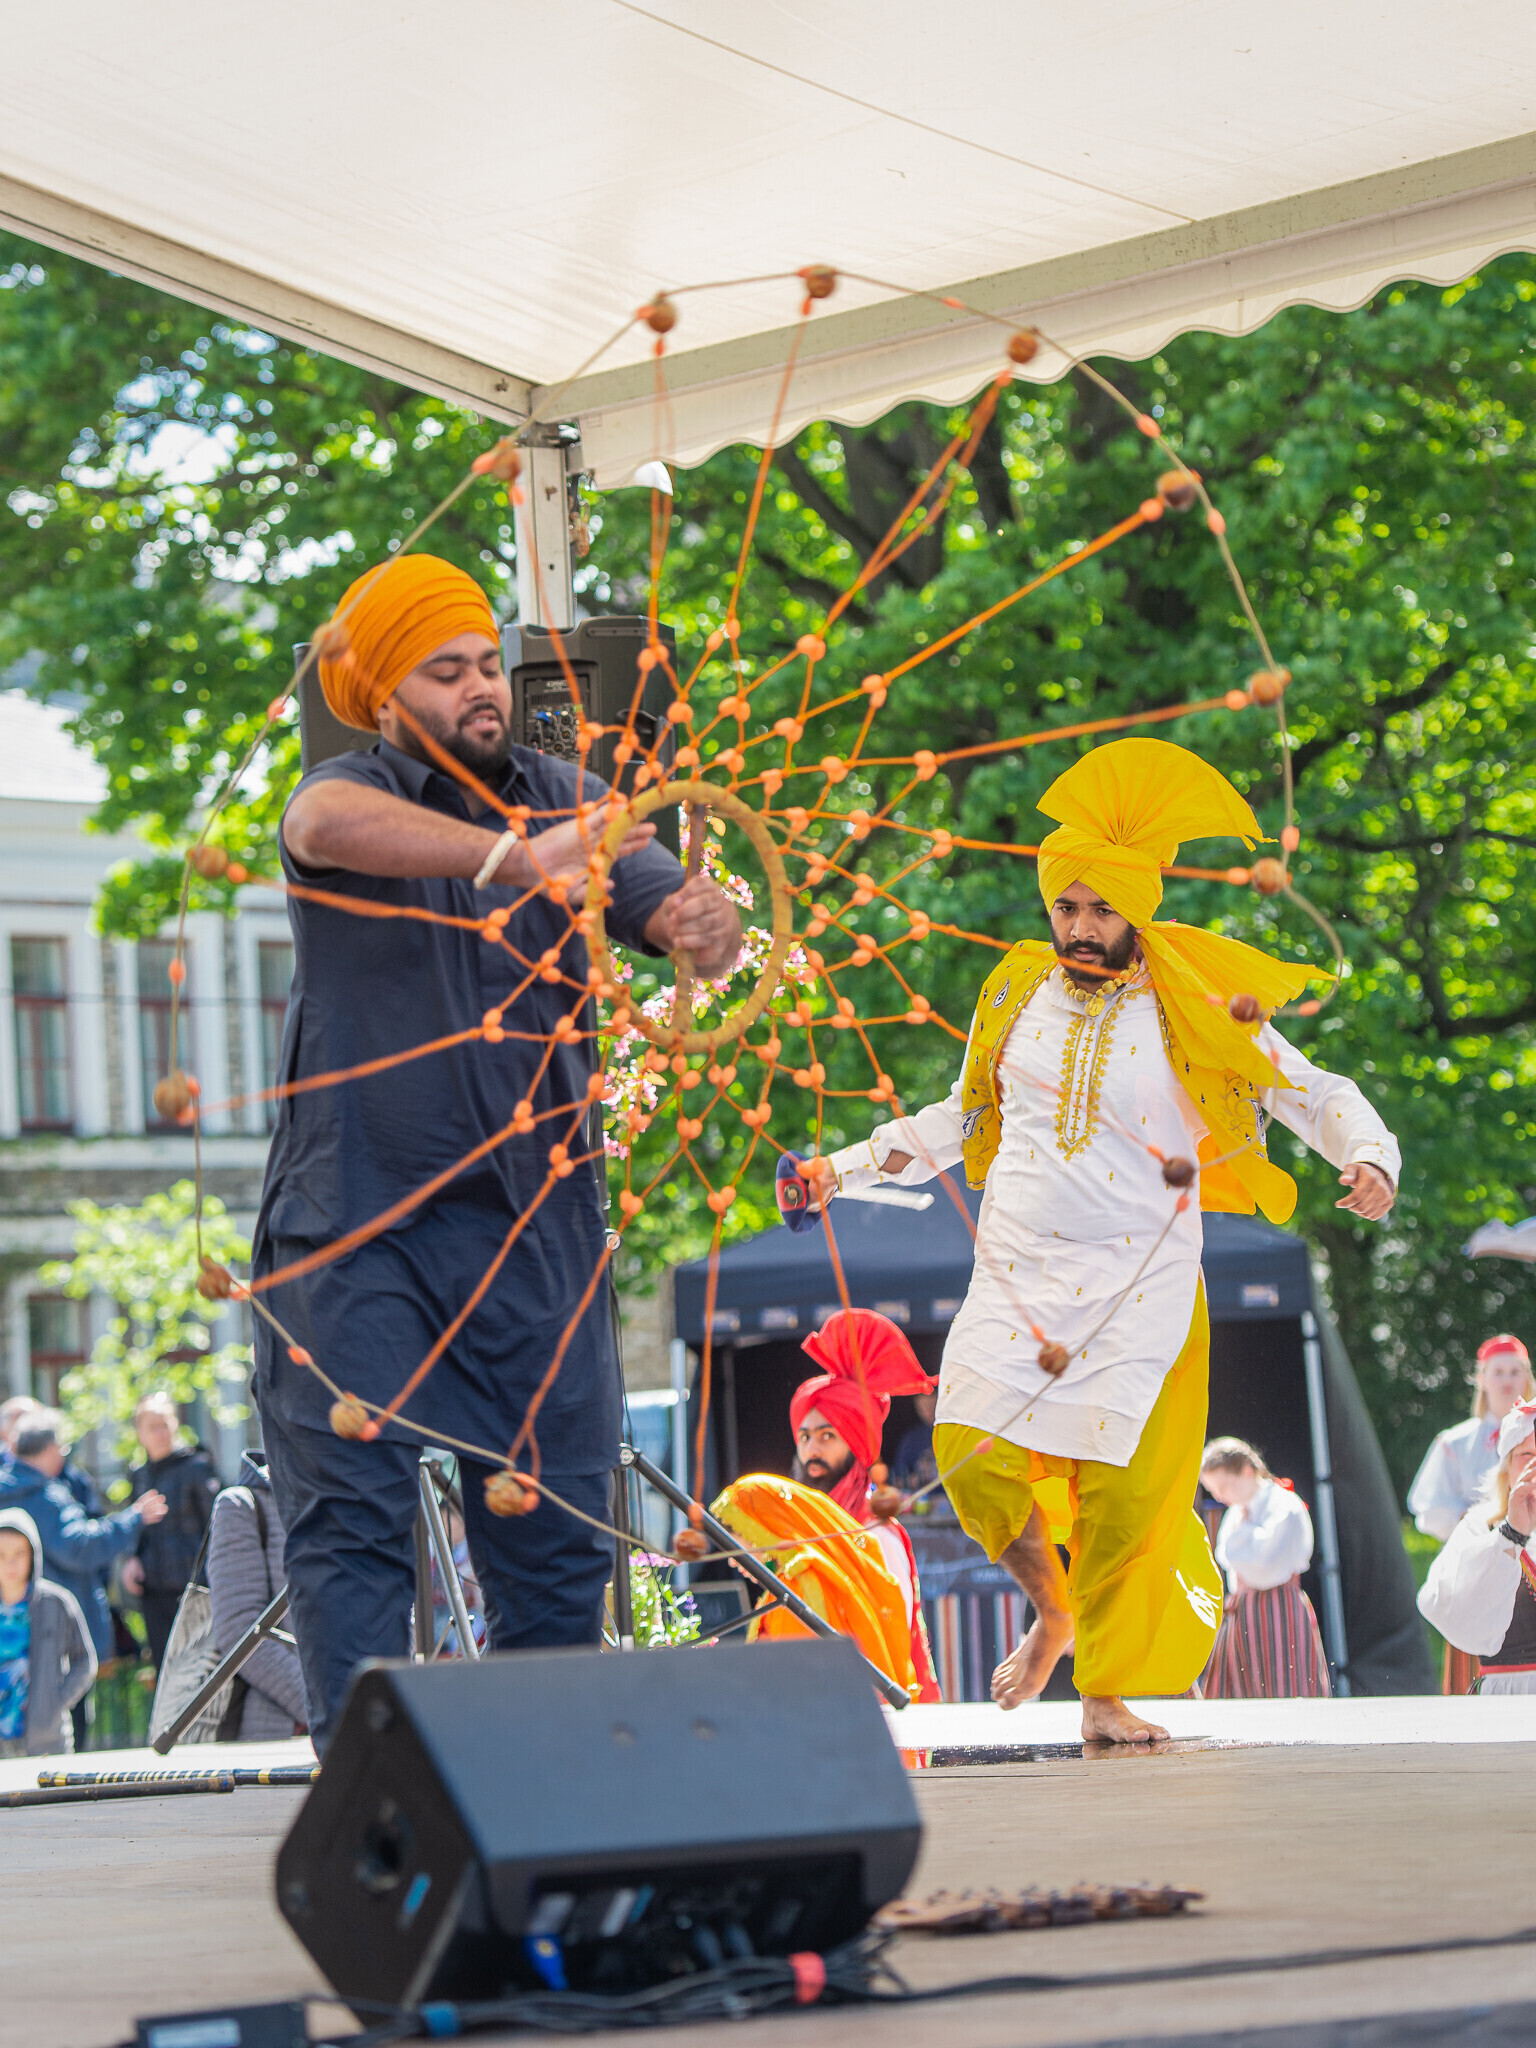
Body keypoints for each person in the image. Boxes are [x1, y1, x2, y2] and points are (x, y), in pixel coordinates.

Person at [803, 738, 1399, 1744]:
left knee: (1126, 1498)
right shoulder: (1014, 992)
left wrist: (1369, 1154)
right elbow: (959, 1116)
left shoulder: (1194, 1000)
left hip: (1139, 1286)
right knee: (968, 1453)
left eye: (1101, 910)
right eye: (1065, 907)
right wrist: (842, 1168)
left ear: (1139, 910)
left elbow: (1309, 1090)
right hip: (1018, 1277)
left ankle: (1104, 1695)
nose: (1080, 928)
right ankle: (1055, 1609)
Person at [252, 553, 742, 1750]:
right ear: (382, 694)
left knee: (557, 1538)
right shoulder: (348, 791)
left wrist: (700, 923)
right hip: (360, 1223)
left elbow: (666, 907)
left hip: (533, 1227)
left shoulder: (569, 791)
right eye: (446, 670)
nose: (481, 687)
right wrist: (513, 857)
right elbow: (314, 823)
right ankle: (378, 1795)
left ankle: (544, 1785)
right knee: (352, 1524)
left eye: (488, 664)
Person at [789, 1308, 941, 1700]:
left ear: (857, 1442)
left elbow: (887, 1644)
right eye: (805, 1437)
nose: (812, 1450)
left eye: (827, 1436)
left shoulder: (877, 1536)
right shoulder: (794, 1527)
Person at [0, 1411, 166, 1670]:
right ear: (51, 1448)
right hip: (58, 1634)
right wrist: (132, 1519)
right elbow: (80, 1547)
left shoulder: (10, 1491)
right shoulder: (46, 1498)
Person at [1417, 1398, 1536, 1694]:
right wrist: (1511, 1535)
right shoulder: (1481, 1526)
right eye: (1527, 1454)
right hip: (1509, 1699)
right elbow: (1451, 1612)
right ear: (1506, 1468)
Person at [1199, 1437, 1329, 1699]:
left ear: (1247, 1471)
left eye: (1223, 1486)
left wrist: (1243, 1541)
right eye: (1213, 1491)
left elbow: (1264, 1562)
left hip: (1280, 1607)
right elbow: (1227, 1555)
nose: (1220, 1496)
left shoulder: (1284, 1505)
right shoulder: (1236, 1512)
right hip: (1243, 1611)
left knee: (1287, 1686)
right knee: (1240, 1692)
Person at [204, 1450, 306, 1739]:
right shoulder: (241, 1505)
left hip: (368, 1723)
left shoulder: (353, 1502)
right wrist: (335, 1709)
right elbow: (240, 1631)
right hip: (282, 1731)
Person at [120, 1392, 221, 1669]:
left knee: (198, 1671)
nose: (161, 1433)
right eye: (152, 1426)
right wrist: (131, 1558)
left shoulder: (197, 1467)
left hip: (194, 1592)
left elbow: (217, 1527)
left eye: (165, 1424)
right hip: (154, 1594)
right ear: (140, 1433)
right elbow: (134, 1528)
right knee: (164, 1670)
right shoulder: (139, 1474)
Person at [1408, 1335, 1534, 1541]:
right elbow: (1430, 1506)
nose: (1507, 1380)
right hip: (1475, 1551)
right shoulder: (1454, 1442)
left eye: (1515, 1372)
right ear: (1482, 1379)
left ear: (1527, 1378)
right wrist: (1480, 1522)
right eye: (1498, 1372)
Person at [0, 1507, 96, 1757]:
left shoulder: (57, 1603)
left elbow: (85, 1661)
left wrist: (56, 1702)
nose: (10, 1563)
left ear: (33, 1554)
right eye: (1, 1555)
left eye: (19, 1553)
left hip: (47, 1742)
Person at [891, 1388, 938, 1495]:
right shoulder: (912, 1438)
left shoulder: (952, 1432)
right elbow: (899, 1479)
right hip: (922, 1499)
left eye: (932, 1406)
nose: (928, 1413)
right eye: (923, 1408)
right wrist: (917, 1478)